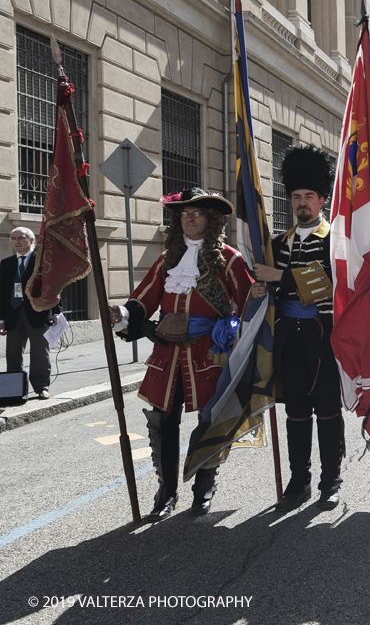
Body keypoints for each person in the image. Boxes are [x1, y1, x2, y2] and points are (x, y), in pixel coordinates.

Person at [110, 188, 253, 520]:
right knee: (162, 421)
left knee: (210, 421)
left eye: (197, 214)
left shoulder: (229, 259)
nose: (189, 220)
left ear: (210, 219)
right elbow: (143, 299)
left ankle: (203, 488)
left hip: (210, 351)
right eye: (184, 215)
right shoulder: (167, 260)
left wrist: (236, 331)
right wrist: (123, 313)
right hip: (168, 352)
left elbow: (250, 304)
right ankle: (166, 492)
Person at [251, 144, 344, 511]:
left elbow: (329, 286)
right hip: (288, 340)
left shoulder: (335, 240)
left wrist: (280, 277)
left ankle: (331, 478)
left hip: (323, 339)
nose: (302, 203)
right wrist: (261, 287)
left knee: (327, 409)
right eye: (296, 196)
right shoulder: (277, 243)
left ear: (322, 200)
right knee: (296, 411)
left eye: (309, 196)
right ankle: (299, 478)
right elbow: (269, 288)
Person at [1, 228, 60, 399]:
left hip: (38, 313)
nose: (16, 241)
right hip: (13, 313)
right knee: (12, 353)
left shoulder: (42, 261)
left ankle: (41, 386)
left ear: (32, 240)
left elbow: (54, 287)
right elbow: (2, 292)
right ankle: (14, 389)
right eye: (13, 238)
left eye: (21, 238)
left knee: (40, 352)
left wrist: (56, 311)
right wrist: (1, 319)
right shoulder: (6, 263)